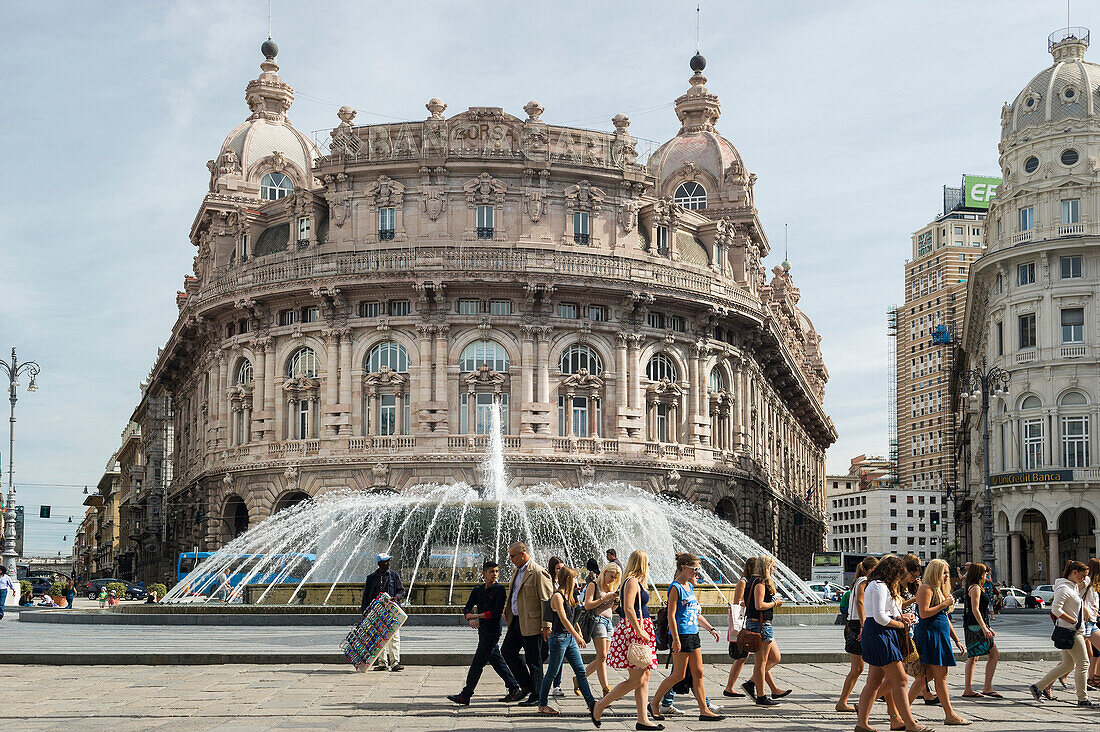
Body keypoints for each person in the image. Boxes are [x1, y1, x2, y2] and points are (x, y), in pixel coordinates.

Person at [854, 555, 930, 732]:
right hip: (880, 634)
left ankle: (862, 724)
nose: (900, 579)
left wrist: (899, 616)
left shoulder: (879, 585)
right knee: (900, 679)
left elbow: (882, 613)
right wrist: (900, 623)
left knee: (873, 682)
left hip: (878, 633)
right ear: (892, 572)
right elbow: (880, 617)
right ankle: (910, 723)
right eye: (899, 575)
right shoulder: (879, 586)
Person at [648, 553, 725, 722]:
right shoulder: (675, 587)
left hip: (693, 633)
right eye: (695, 569)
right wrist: (675, 638)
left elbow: (694, 613)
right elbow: (671, 615)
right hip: (681, 635)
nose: (698, 572)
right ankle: (654, 703)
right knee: (678, 675)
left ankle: (704, 710)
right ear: (684, 568)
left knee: (698, 673)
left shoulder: (690, 586)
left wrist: (710, 628)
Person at [592, 549, 660, 730]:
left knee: (644, 677)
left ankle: (643, 720)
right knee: (636, 679)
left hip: (640, 627)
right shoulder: (631, 581)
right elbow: (629, 608)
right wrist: (639, 630)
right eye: (647, 562)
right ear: (641, 563)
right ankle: (600, 705)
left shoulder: (636, 581)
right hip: (634, 629)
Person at [447, 560, 521, 706]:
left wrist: (476, 617)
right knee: (496, 661)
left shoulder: (499, 590)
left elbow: (496, 612)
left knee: (477, 663)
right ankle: (514, 688)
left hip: (493, 631)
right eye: (491, 571)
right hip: (483, 631)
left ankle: (466, 694)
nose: (495, 574)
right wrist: (470, 618)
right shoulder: (477, 590)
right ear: (484, 573)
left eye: (496, 571)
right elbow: (467, 608)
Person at [913, 558, 969, 725]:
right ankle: (949, 715)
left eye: (947, 572)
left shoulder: (938, 590)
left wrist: (957, 639)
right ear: (935, 572)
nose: (947, 576)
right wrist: (944, 603)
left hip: (939, 635)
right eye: (944, 572)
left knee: (927, 676)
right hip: (931, 636)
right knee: (940, 676)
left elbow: (944, 617)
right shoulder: (926, 588)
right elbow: (924, 613)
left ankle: (902, 709)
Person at [1030, 560, 1093, 707]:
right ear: (1074, 573)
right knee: (1083, 664)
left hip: (1072, 630)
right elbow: (1056, 610)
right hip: (1071, 632)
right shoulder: (1064, 589)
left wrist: (1083, 610)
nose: (1084, 579)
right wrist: (1073, 620)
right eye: (1082, 575)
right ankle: (1082, 699)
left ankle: (1038, 687)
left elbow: (1088, 581)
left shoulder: (1073, 586)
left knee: (1067, 665)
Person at [538, 566, 596, 715]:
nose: (577, 580)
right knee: (552, 672)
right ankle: (542, 704)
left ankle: (591, 703)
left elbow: (572, 617)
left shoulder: (570, 595)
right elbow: (563, 619)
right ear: (569, 579)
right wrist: (577, 636)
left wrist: (578, 632)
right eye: (574, 577)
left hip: (568, 638)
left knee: (581, 672)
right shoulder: (557, 596)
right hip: (559, 639)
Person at [501, 542, 553, 707]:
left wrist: (546, 625)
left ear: (523, 554)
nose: (510, 559)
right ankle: (527, 685)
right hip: (516, 619)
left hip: (533, 622)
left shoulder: (538, 572)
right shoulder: (516, 571)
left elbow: (546, 600)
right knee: (507, 651)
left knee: (534, 659)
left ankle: (537, 694)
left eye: (513, 556)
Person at [743, 555, 790, 707]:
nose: (774, 569)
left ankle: (752, 685)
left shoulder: (751, 581)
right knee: (761, 663)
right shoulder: (760, 583)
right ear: (766, 567)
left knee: (772, 658)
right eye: (773, 566)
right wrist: (775, 603)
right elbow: (759, 605)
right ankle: (761, 696)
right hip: (761, 625)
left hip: (757, 624)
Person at [837, 555, 878, 712]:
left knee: (859, 668)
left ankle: (845, 701)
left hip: (854, 625)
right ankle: (843, 701)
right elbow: (860, 602)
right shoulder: (864, 581)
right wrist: (864, 625)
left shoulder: (859, 580)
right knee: (858, 668)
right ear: (873, 569)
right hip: (856, 626)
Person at [579, 562, 620, 697]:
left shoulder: (612, 586)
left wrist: (615, 602)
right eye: (611, 576)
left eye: (615, 577)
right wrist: (604, 598)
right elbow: (588, 605)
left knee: (603, 656)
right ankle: (606, 688)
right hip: (597, 621)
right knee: (602, 656)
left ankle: (579, 679)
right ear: (605, 572)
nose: (613, 579)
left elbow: (611, 609)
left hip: (609, 622)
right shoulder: (593, 585)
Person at [360, 552, 406, 671]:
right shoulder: (371, 578)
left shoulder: (393, 575)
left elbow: (401, 591)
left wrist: (396, 597)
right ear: (380, 564)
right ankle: (382, 663)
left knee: (394, 637)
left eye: (389, 561)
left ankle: (395, 663)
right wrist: (364, 612)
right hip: (377, 612)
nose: (388, 563)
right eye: (386, 561)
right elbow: (366, 596)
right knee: (379, 637)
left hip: (392, 611)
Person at [961, 562, 1001, 698]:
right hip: (976, 627)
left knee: (973, 657)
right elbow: (975, 609)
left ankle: (970, 689)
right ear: (979, 574)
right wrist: (984, 627)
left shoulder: (973, 587)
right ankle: (986, 687)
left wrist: (987, 626)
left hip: (974, 625)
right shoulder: (976, 588)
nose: (986, 575)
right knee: (993, 655)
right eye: (984, 573)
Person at [723, 556, 757, 700]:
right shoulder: (743, 582)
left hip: (749, 622)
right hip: (742, 623)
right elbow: (736, 603)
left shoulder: (751, 581)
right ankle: (730, 687)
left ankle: (730, 687)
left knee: (743, 656)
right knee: (742, 656)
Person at [546, 556, 565, 698]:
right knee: (551, 658)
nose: (560, 571)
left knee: (558, 658)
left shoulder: (565, 583)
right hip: (552, 626)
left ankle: (556, 685)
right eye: (558, 568)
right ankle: (544, 684)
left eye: (562, 568)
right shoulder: (548, 583)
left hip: (562, 627)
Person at [1083, 558, 1100, 688]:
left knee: (1090, 654)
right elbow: (1076, 598)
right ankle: (1042, 686)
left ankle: (1095, 679)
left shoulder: (1094, 585)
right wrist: (1086, 611)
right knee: (1072, 660)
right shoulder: (1086, 582)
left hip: (1092, 623)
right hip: (1085, 623)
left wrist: (1094, 611)